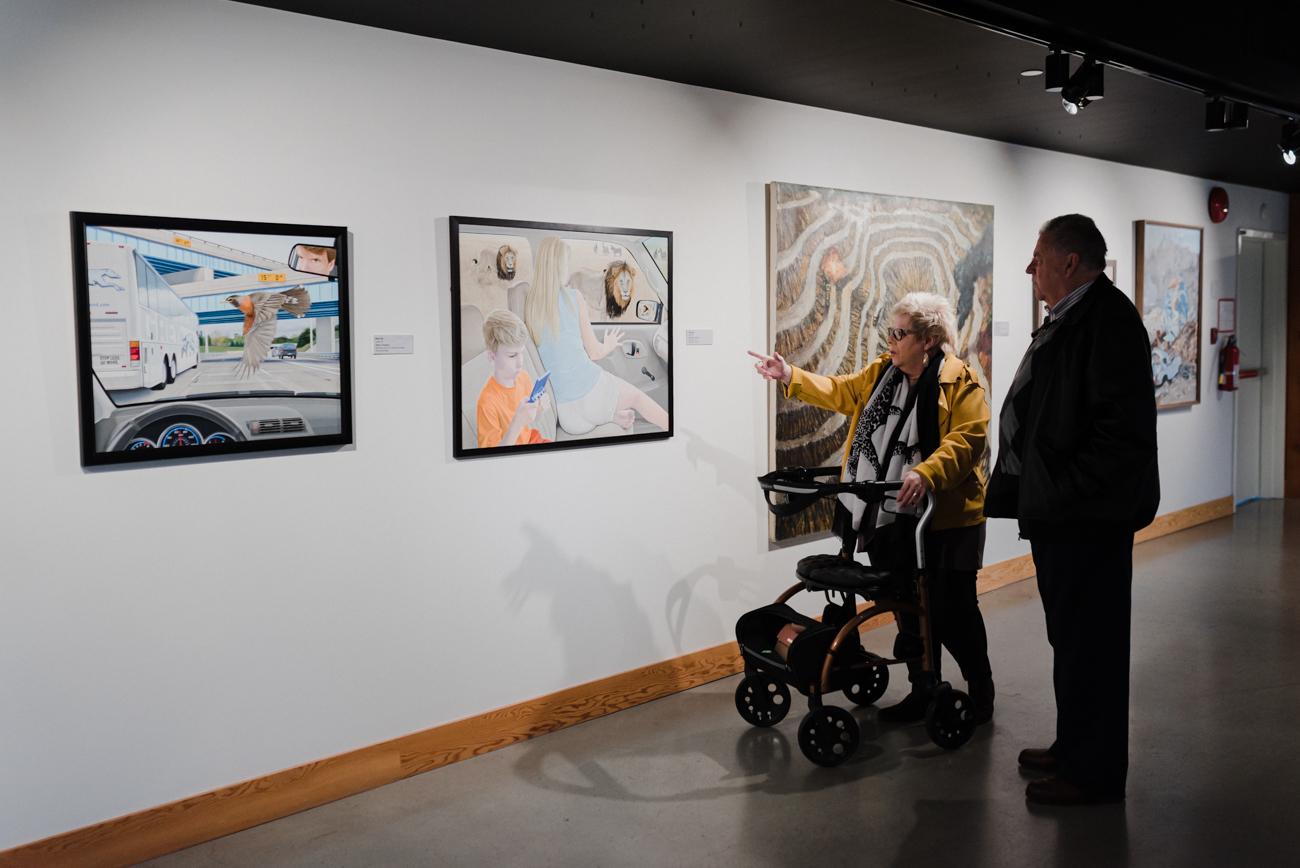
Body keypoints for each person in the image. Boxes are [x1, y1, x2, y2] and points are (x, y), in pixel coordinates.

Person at [750, 291, 995, 723]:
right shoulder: (884, 374)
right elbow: (843, 392)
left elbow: (968, 440)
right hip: (889, 517)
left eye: (900, 334)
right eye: (891, 332)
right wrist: (790, 375)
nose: (890, 341)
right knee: (907, 608)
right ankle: (923, 689)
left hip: (946, 521)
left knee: (953, 612)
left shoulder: (961, 383)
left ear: (928, 339)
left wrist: (927, 473)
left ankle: (981, 692)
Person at [985, 214, 1159, 806]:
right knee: (1071, 640)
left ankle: (1094, 775)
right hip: (1063, 516)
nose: (1029, 269)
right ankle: (1074, 747)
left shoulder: (1108, 321)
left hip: (1087, 520)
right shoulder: (1073, 318)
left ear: (1069, 261)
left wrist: (1062, 493)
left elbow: (1118, 437)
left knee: (1094, 647)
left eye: (1038, 257)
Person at [524, 237, 669, 435]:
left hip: (568, 417)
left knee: (605, 405)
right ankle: (677, 431)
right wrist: (609, 344)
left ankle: (611, 416)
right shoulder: (574, 298)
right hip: (590, 397)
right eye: (566, 263)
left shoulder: (530, 305)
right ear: (559, 265)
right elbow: (594, 353)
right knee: (638, 398)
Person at [476, 309, 551, 449]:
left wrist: (539, 410)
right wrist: (517, 422)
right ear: (492, 357)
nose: (520, 362)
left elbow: (532, 419)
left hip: (532, 439)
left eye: (521, 353)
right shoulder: (487, 403)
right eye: (512, 355)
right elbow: (493, 458)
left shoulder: (523, 377)